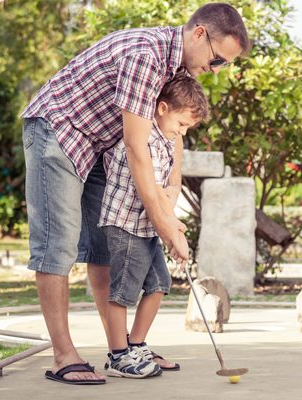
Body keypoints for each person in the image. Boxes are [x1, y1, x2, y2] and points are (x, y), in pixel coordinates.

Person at [21, 2, 250, 384]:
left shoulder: (175, 66)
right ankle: (64, 355)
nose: (215, 70)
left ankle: (121, 350)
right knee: (56, 243)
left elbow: (171, 139)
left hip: (98, 145)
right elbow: (136, 145)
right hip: (58, 130)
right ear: (199, 34)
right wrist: (162, 223)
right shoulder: (146, 55)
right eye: (217, 60)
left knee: (102, 248)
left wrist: (170, 210)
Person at [99, 75, 209, 378]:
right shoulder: (143, 139)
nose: (182, 132)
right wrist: (173, 229)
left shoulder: (167, 140)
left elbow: (167, 187)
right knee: (122, 292)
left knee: (159, 284)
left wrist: (170, 225)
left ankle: (136, 345)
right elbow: (150, 190)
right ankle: (117, 355)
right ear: (162, 108)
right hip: (126, 224)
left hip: (146, 226)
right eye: (181, 124)